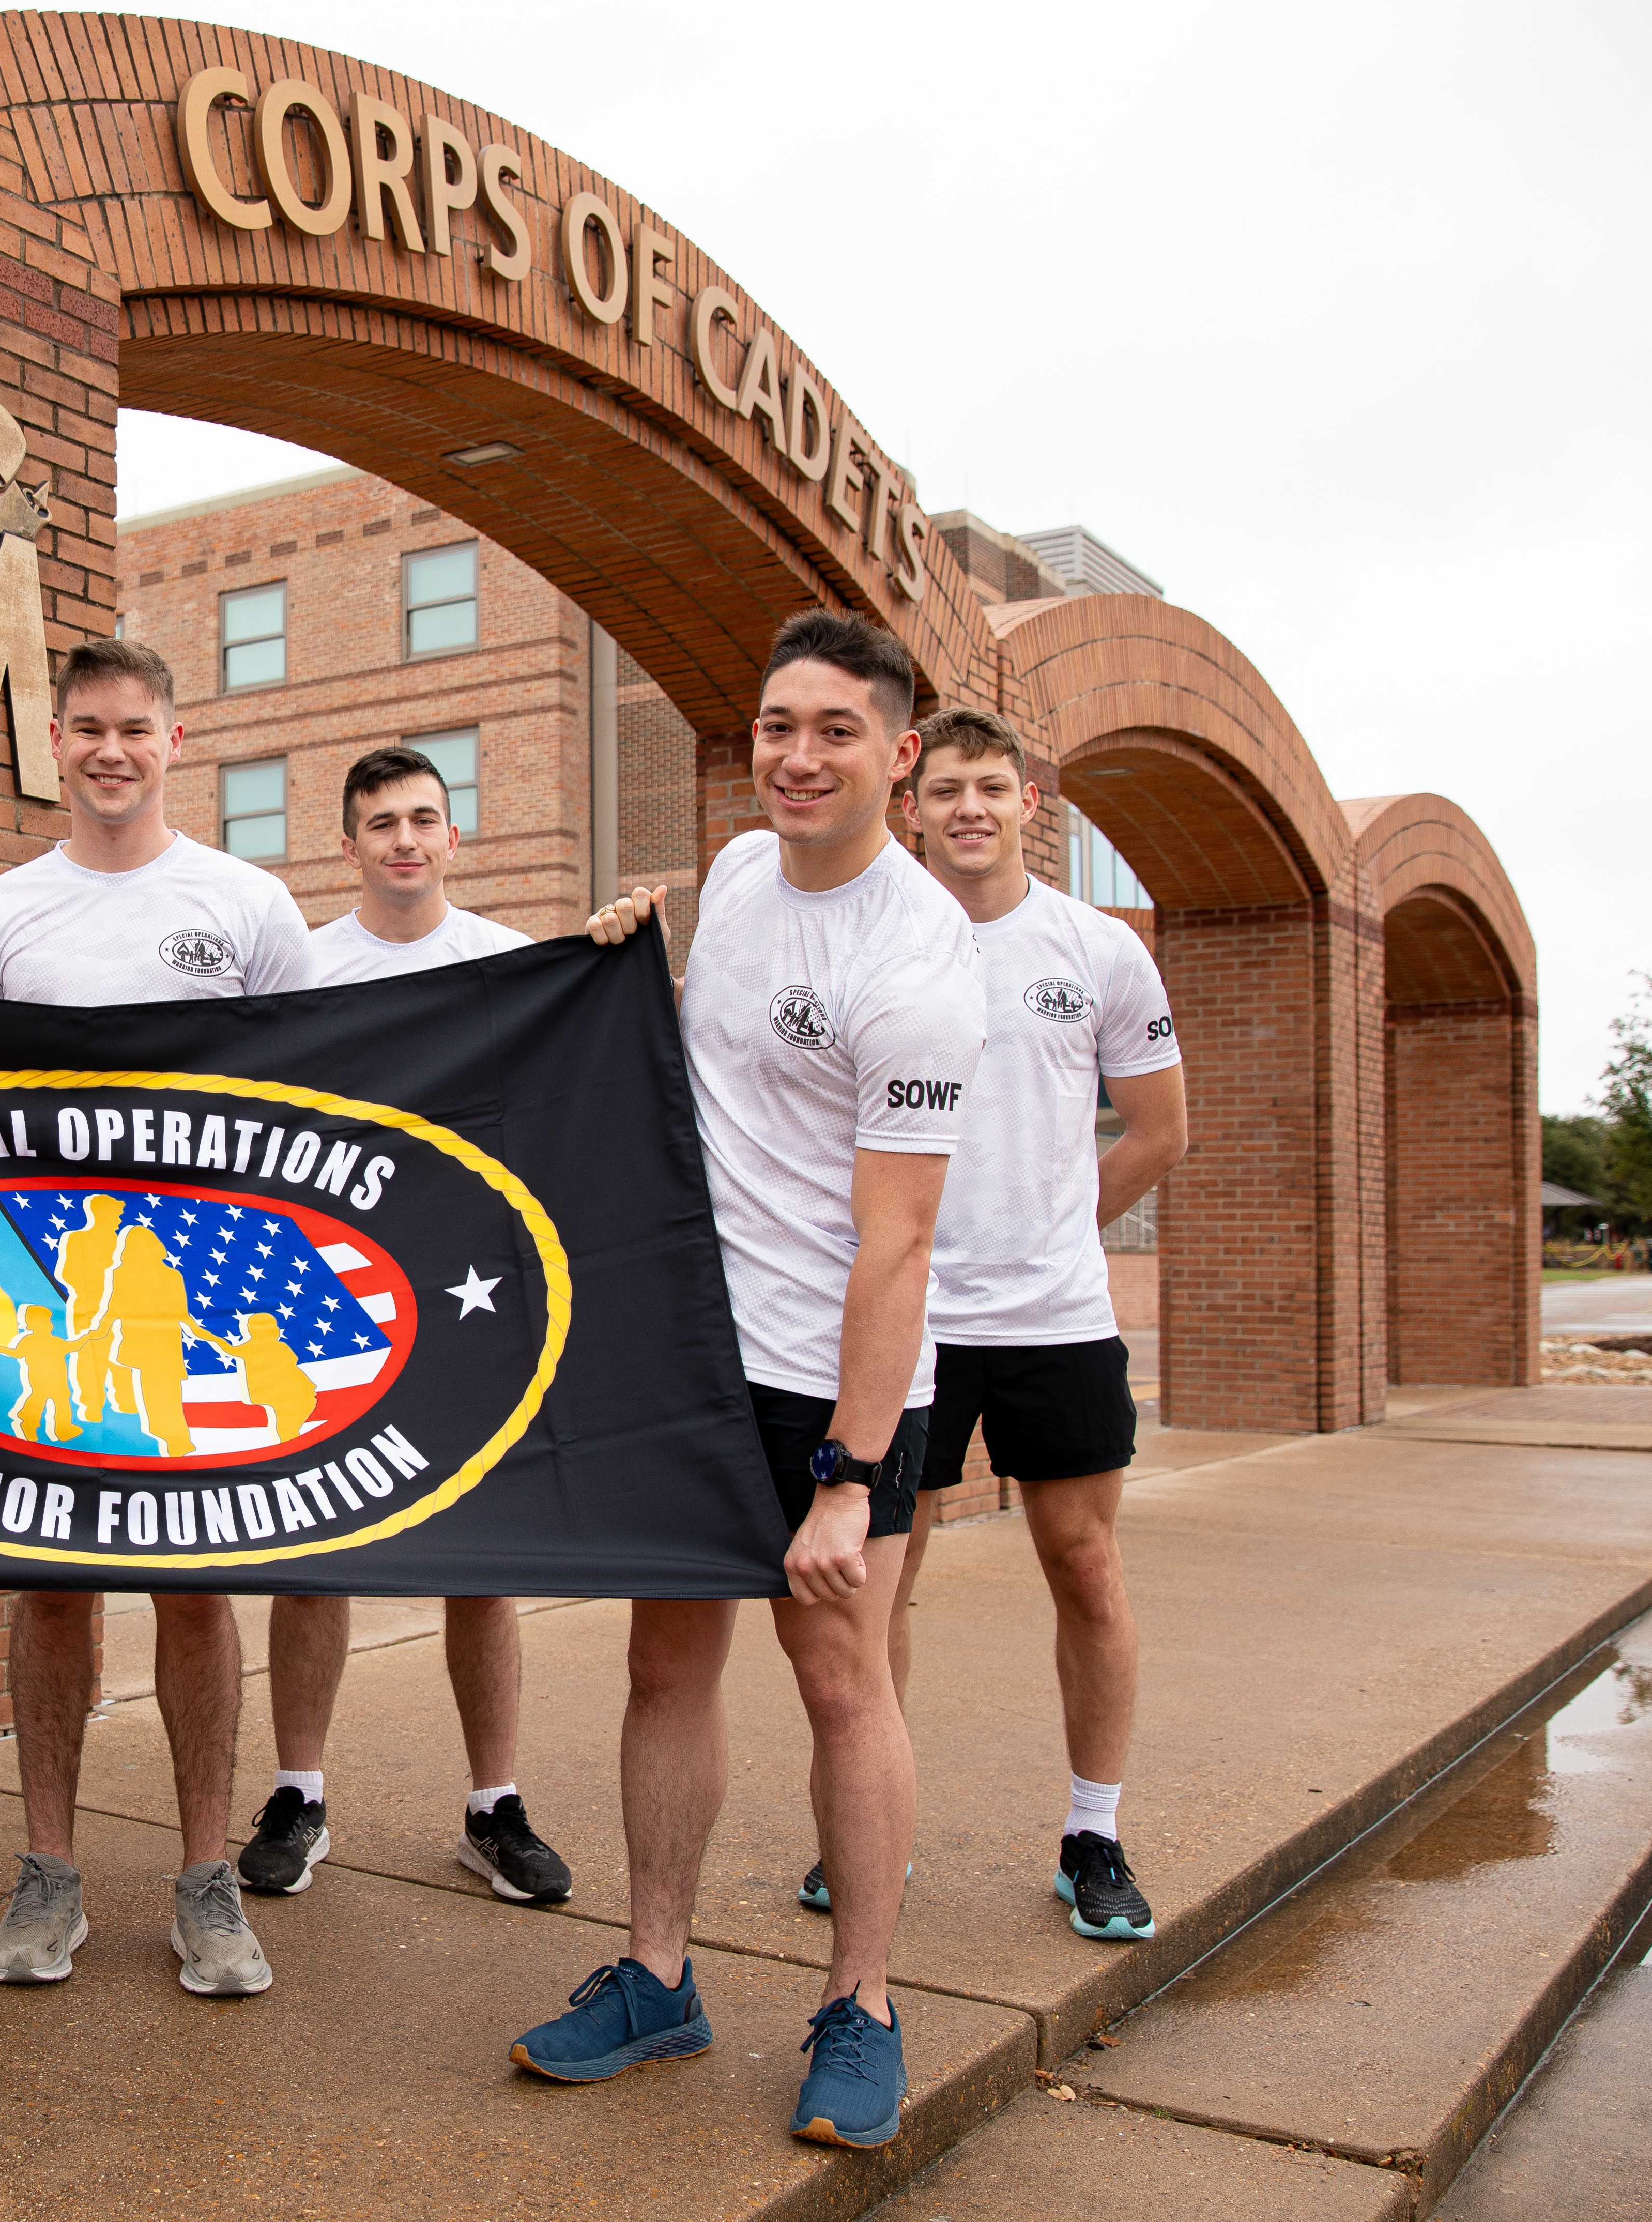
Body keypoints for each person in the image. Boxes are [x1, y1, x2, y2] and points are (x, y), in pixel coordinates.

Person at [511, 611, 983, 2152]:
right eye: (778, 724)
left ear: (898, 755)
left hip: (831, 1381)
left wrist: (853, 1473)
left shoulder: (919, 967)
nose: (796, 755)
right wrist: (618, 957)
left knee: (843, 1683)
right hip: (690, 1356)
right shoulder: (727, 877)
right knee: (667, 1668)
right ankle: (657, 1973)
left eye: (834, 730)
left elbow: (897, 1247)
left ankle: (862, 2003)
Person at [0, 636, 317, 1998]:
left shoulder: (249, 903)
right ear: (56, 738)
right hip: (46, 1303)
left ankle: (208, 1881)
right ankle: (48, 1874)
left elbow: (319, 1090)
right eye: (87, 726)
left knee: (200, 1589)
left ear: (174, 737)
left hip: (198, 1300)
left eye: (134, 727)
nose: (111, 749)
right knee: (49, 1588)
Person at [797, 706, 1179, 1942]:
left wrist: (1064, 1224)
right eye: (947, 787)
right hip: (905, 1320)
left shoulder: (1099, 947)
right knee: (877, 1590)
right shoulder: (875, 933)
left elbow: (1161, 1126)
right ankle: (865, 1839)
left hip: (1053, 1320)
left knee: (1085, 1567)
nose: (969, 807)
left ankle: (1095, 1830)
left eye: (993, 788)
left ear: (1030, 808)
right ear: (913, 803)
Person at [236, 746, 572, 1909]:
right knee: (310, 1553)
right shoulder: (305, 970)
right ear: (348, 843)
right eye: (381, 822)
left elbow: (565, 1109)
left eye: (425, 818)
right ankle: (298, 1791)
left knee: (479, 1567)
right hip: (327, 1300)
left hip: (469, 1306)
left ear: (455, 834)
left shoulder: (514, 970)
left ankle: (495, 1804)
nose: (405, 840)